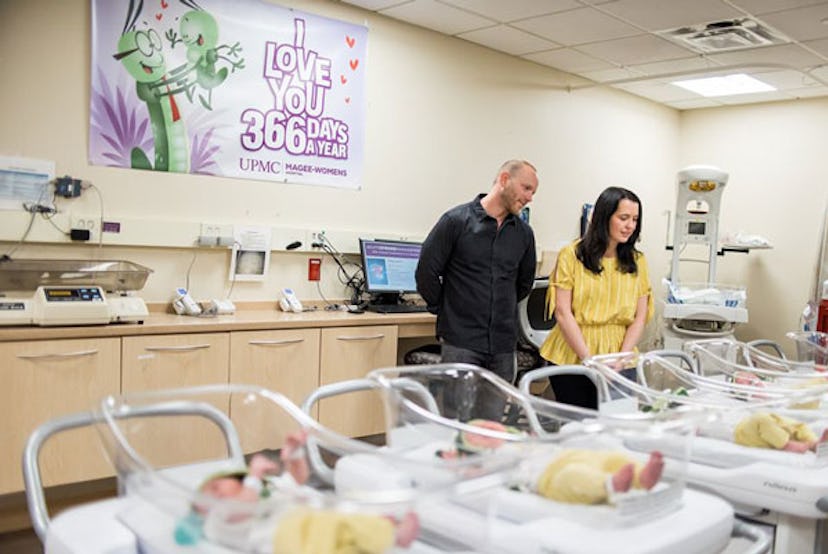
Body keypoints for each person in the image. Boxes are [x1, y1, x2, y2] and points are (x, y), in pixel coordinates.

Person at [416, 160, 538, 394]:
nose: (530, 197)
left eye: (533, 191)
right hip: (461, 341)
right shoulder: (456, 221)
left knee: (491, 425)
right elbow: (426, 272)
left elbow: (523, 284)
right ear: (504, 180)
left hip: (503, 345)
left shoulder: (524, 234)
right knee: (458, 419)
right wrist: (444, 308)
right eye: (526, 188)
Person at [540, 186, 653, 409]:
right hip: (574, 353)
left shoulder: (637, 261)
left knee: (617, 425)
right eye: (623, 218)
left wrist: (621, 358)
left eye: (635, 219)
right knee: (579, 427)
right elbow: (563, 313)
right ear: (604, 217)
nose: (630, 225)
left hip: (621, 354)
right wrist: (590, 360)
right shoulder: (572, 255)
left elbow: (640, 317)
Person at [536, 449, 664, 505]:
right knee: (572, 475)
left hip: (572, 455)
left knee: (613, 458)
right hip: (547, 477)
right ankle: (610, 483)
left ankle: (642, 476)